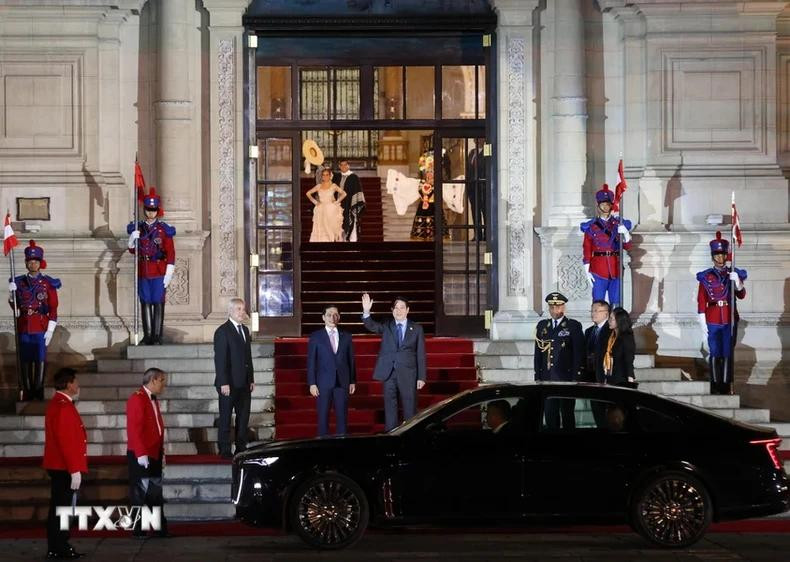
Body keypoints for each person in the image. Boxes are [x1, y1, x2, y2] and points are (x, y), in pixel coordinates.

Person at [361, 293, 427, 431]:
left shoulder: (416, 329)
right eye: (396, 308)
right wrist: (366, 311)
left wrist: (421, 377)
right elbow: (371, 326)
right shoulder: (387, 326)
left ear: (408, 310)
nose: (399, 311)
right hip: (389, 372)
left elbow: (421, 354)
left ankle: (410, 434)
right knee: (390, 407)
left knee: (409, 407)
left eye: (402, 307)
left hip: (408, 373)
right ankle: (390, 435)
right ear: (392, 310)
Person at [8, 240, 61, 401]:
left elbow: (53, 307)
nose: (33, 264)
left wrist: (50, 329)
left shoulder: (48, 283)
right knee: (25, 359)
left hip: (40, 325)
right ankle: (27, 390)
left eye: (35, 262)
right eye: (30, 262)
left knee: (39, 358)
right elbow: (15, 306)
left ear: (40, 263)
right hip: (24, 325)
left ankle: (38, 390)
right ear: (26, 263)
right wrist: (12, 296)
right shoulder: (18, 282)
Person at [42, 368, 86, 560]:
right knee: (63, 508)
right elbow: (66, 441)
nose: (77, 385)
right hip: (64, 467)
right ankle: (60, 545)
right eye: (75, 381)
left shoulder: (59, 403)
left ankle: (56, 546)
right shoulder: (63, 406)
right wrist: (74, 469)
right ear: (68, 384)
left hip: (60, 465)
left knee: (59, 507)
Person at [697, 231, 747, 395]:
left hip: (728, 317)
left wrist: (738, 282)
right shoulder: (706, 276)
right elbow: (701, 299)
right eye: (717, 255)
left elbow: (741, 294)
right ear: (713, 257)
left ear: (727, 256)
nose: (720, 258)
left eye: (723, 255)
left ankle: (726, 385)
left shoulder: (732, 274)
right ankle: (715, 384)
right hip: (712, 318)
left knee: (726, 352)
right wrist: (702, 320)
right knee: (715, 352)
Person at [127, 187, 176, 345]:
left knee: (157, 302)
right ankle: (147, 336)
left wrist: (169, 273)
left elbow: (171, 253)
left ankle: (157, 336)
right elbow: (133, 251)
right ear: (144, 209)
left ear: (157, 210)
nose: (151, 213)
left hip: (159, 271)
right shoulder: (138, 228)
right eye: (148, 210)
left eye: (153, 210)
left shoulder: (163, 230)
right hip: (143, 270)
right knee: (145, 302)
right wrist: (131, 240)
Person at [126, 367, 170, 538]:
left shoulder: (152, 399)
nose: (163, 385)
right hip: (142, 454)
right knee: (140, 494)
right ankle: (138, 529)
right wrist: (141, 453)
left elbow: (156, 428)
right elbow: (134, 429)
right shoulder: (137, 399)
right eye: (161, 381)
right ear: (153, 380)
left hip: (154, 453)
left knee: (155, 494)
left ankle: (159, 529)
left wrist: (161, 452)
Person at [533, 292, 584, 430]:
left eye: (558, 307)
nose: (555, 310)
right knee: (550, 415)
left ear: (564, 307)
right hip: (547, 378)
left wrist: (576, 377)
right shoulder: (543, 326)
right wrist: (538, 376)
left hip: (566, 378)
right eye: (552, 307)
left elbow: (578, 354)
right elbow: (538, 353)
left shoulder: (573, 326)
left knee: (567, 414)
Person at [213, 298, 255, 458]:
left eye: (243, 309)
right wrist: (223, 382)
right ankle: (224, 449)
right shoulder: (222, 331)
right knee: (225, 417)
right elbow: (220, 359)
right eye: (238, 309)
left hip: (244, 383)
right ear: (230, 311)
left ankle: (241, 446)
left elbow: (247, 358)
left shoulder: (244, 330)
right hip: (228, 383)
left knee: (243, 417)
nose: (242, 312)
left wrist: (251, 378)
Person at [307, 305, 357, 437]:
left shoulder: (346, 336)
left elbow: (350, 360)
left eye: (335, 315)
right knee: (323, 418)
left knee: (342, 418)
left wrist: (352, 381)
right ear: (323, 317)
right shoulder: (316, 336)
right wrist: (312, 383)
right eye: (329, 315)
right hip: (323, 383)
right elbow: (311, 361)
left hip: (342, 382)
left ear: (339, 317)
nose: (332, 317)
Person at [580, 184, 632, 306]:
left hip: (616, 268)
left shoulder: (619, 224)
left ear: (611, 206)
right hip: (598, 269)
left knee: (616, 304)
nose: (606, 207)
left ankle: (616, 325)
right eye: (603, 204)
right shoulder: (591, 226)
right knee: (598, 304)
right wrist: (587, 269)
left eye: (608, 204)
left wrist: (626, 234)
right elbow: (587, 248)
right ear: (598, 206)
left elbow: (628, 246)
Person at [307, 168, 346, 242]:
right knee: (321, 228)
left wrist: (337, 202)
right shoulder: (319, 186)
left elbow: (344, 194)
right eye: (323, 175)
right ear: (321, 176)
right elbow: (308, 193)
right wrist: (315, 202)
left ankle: (330, 243)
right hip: (320, 209)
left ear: (330, 176)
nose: (325, 177)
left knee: (330, 228)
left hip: (330, 209)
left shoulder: (333, 186)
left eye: (327, 175)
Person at [602, 307, 637, 388]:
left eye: (611, 319)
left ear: (619, 320)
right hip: (608, 376)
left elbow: (629, 360)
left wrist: (630, 381)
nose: (609, 321)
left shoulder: (626, 338)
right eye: (609, 318)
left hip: (620, 379)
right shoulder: (611, 335)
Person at [334, 160, 366, 242]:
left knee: (350, 222)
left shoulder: (353, 177)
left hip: (349, 204)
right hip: (338, 205)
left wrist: (354, 205)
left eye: (345, 165)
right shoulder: (336, 176)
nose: (343, 167)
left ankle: (351, 242)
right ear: (339, 166)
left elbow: (357, 190)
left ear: (348, 166)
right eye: (342, 165)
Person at [583, 300, 611, 384]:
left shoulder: (610, 330)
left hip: (603, 373)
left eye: (596, 311)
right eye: (592, 311)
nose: (593, 314)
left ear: (606, 313)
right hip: (589, 373)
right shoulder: (589, 331)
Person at [466, 138, 488, 241]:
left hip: (483, 187)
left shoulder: (487, 150)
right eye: (476, 139)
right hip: (472, 188)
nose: (478, 141)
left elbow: (487, 167)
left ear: (484, 140)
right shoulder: (471, 152)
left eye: (480, 139)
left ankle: (487, 235)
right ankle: (477, 235)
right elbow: (468, 169)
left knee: (485, 211)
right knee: (475, 212)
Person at [410, 170, 436, 241]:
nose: (430, 174)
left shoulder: (436, 183)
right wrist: (425, 197)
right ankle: (422, 237)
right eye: (428, 172)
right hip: (423, 205)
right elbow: (419, 190)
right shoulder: (422, 182)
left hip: (433, 205)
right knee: (422, 221)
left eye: (431, 172)